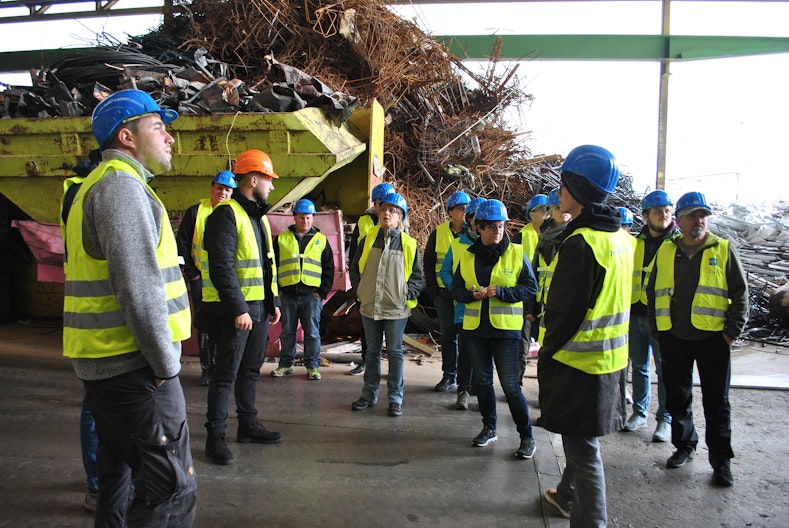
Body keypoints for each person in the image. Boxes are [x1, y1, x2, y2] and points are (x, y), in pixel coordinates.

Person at [61, 89, 197, 526]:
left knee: (118, 481)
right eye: (159, 127)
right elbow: (138, 289)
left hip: (114, 365)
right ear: (127, 137)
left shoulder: (104, 186)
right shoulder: (121, 189)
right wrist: (165, 364)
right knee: (170, 490)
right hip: (136, 369)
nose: (170, 138)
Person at [538, 145, 633, 525]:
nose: (559, 191)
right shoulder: (623, 240)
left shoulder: (581, 243)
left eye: (563, 183)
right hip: (610, 363)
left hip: (578, 364)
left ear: (576, 186)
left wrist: (546, 353)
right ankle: (564, 495)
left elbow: (563, 314)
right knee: (582, 445)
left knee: (584, 452)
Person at [647, 191, 748, 487]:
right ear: (679, 220)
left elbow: (740, 295)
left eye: (703, 215)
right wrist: (659, 330)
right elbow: (653, 292)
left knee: (717, 402)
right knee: (678, 396)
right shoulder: (666, 250)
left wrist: (730, 333)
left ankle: (720, 460)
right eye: (692, 215)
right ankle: (684, 446)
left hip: (713, 339)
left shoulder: (723, 249)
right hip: (674, 337)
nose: (699, 220)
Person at [202, 149, 283, 465]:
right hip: (238, 312)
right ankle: (215, 438)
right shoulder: (226, 214)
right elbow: (221, 266)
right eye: (268, 179)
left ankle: (247, 426)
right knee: (225, 375)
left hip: (259, 311)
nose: (272, 187)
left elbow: (265, 266)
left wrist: (271, 302)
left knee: (250, 372)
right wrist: (239, 309)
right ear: (253, 179)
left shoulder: (258, 218)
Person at [450, 199, 539, 459]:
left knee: (511, 386)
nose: (496, 232)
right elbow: (455, 289)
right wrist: (470, 295)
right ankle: (489, 428)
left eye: (500, 227)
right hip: (476, 331)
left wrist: (502, 292)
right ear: (479, 228)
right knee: (484, 382)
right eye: (490, 227)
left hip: (506, 333)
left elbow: (530, 287)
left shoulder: (515, 252)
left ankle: (527, 437)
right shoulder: (467, 256)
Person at [349, 192, 424, 417]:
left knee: (394, 352)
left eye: (393, 211)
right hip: (369, 305)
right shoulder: (368, 239)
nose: (387, 214)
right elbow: (354, 269)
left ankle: (395, 399)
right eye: (384, 210)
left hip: (396, 309)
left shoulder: (409, 245)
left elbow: (418, 278)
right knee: (371, 352)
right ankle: (368, 394)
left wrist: (404, 295)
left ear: (400, 217)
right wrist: (359, 291)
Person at [621, 190, 679, 442]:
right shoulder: (635, 243)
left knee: (665, 371)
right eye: (658, 211)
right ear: (646, 216)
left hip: (663, 318)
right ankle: (639, 413)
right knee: (640, 367)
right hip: (635, 314)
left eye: (667, 210)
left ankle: (664, 419)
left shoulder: (677, 243)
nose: (663, 215)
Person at [176, 170, 237, 386]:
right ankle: (207, 369)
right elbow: (182, 244)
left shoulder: (235, 214)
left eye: (227, 189)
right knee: (205, 325)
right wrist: (192, 274)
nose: (222, 192)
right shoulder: (196, 212)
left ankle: (224, 369)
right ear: (212, 189)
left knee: (228, 325)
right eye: (219, 188)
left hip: (226, 281)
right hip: (201, 280)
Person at [272, 198, 335, 380]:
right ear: (294, 217)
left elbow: (329, 268)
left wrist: (321, 293)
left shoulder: (321, 241)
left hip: (311, 297)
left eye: (308, 217)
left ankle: (312, 366)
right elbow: (273, 266)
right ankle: (286, 365)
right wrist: (278, 291)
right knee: (287, 332)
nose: (304, 221)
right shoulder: (282, 239)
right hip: (288, 295)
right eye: (301, 217)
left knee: (312, 333)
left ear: (313, 218)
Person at [439, 196, 486, 410]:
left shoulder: (495, 245)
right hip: (464, 307)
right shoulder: (458, 245)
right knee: (466, 349)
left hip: (489, 309)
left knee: (484, 352)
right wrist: (456, 290)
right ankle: (464, 389)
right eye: (474, 218)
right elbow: (445, 271)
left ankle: (480, 387)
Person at [423, 190, 470, 392]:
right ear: (451, 212)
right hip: (443, 294)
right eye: (460, 208)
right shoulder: (439, 233)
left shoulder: (473, 233)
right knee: (448, 337)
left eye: (467, 208)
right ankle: (448, 375)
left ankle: (467, 380)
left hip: (466, 295)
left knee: (468, 338)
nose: (465, 212)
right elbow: (429, 261)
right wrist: (433, 290)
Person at [346, 182, 395, 376]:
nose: (384, 209)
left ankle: (392, 367)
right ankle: (367, 362)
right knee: (366, 325)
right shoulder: (364, 222)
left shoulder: (399, 222)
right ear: (374, 203)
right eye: (380, 204)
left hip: (389, 285)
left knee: (391, 327)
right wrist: (357, 285)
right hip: (366, 284)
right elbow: (354, 257)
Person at [525, 188, 571, 346]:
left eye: (564, 208)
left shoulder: (576, 236)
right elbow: (534, 273)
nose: (562, 212)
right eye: (557, 208)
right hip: (544, 306)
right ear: (550, 211)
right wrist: (531, 307)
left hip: (566, 306)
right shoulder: (544, 238)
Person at [513, 193, 548, 384]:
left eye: (547, 210)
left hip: (548, 299)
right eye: (541, 210)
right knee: (522, 343)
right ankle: (516, 382)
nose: (545, 214)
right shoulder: (520, 237)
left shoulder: (557, 237)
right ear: (531, 214)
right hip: (526, 300)